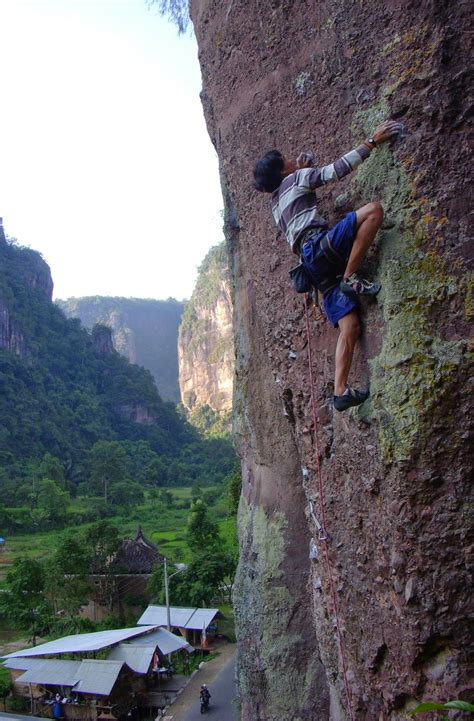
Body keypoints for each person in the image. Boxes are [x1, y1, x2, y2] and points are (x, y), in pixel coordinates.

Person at [253, 120, 403, 411]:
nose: (292, 159)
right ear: (283, 169)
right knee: (373, 211)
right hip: (320, 248)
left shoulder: (275, 205)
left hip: (312, 267)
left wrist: (300, 169)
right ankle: (351, 275)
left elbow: (299, 198)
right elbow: (335, 171)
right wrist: (371, 141)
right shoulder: (297, 179)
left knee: (350, 324)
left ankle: (340, 390)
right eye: (287, 160)